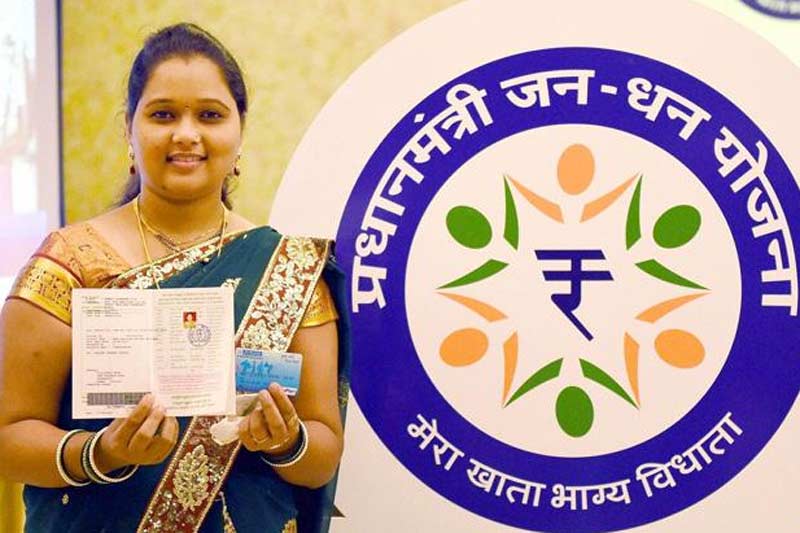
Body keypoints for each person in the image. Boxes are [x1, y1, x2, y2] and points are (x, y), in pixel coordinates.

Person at [0, 23, 350, 533]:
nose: (186, 134)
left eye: (210, 115)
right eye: (163, 114)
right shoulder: (70, 263)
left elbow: (323, 452)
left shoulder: (288, 269)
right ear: (130, 129)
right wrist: (101, 453)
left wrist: (287, 441)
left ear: (239, 131)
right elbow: (10, 436)